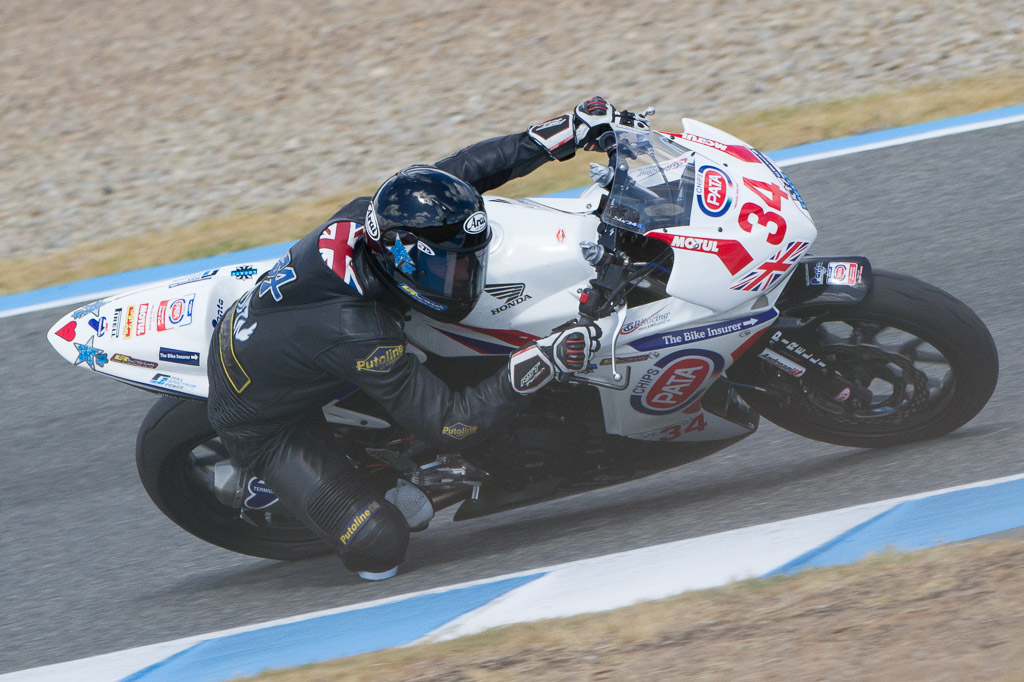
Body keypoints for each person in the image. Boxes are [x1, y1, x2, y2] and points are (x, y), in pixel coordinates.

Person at [206, 97, 616, 580]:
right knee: (381, 548)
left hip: (288, 329)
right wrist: (543, 361)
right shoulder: (360, 333)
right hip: (261, 423)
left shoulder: (377, 216)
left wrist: (558, 135)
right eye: (451, 267)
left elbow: (458, 176)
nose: (467, 273)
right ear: (404, 263)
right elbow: (451, 425)